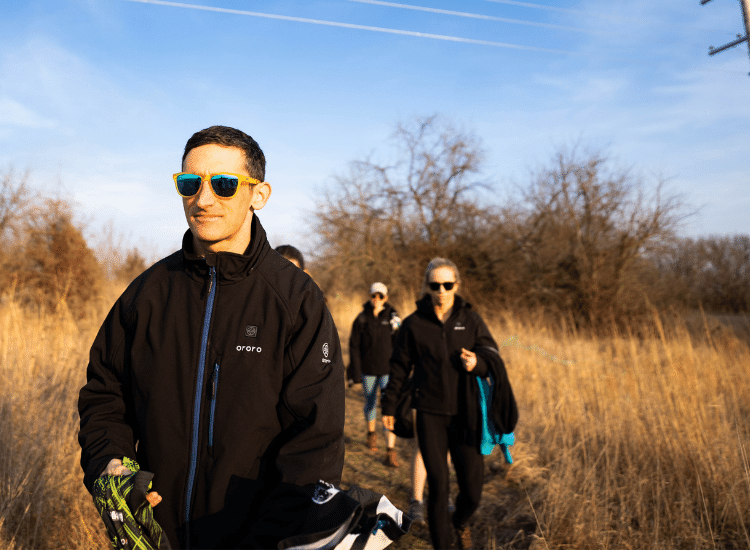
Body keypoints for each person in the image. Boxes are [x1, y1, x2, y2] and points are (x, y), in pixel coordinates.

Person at [78, 125, 345, 549]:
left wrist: (277, 537)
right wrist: (111, 463)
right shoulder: (146, 293)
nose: (202, 200)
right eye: (190, 183)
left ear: (259, 194)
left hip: (256, 539)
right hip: (155, 534)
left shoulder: (296, 300)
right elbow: (105, 392)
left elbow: (315, 443)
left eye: (223, 184)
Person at [382, 258, 517, 550]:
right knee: (439, 486)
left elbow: (491, 354)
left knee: (472, 490)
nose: (441, 291)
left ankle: (460, 521)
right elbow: (399, 368)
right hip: (429, 414)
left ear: (457, 285)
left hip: (467, 414)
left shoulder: (471, 320)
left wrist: (477, 363)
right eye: (435, 285)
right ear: (427, 287)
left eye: (447, 284)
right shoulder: (414, 324)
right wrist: (388, 406)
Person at [348, 282, 402, 467]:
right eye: (374, 296)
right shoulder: (361, 318)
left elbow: (400, 344)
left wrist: (399, 369)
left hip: (388, 371)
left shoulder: (394, 317)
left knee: (389, 407)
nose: (377, 299)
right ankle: (371, 434)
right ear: (370, 297)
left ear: (386, 297)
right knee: (370, 402)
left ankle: (390, 450)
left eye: (381, 296)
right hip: (368, 370)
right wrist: (355, 371)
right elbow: (354, 346)